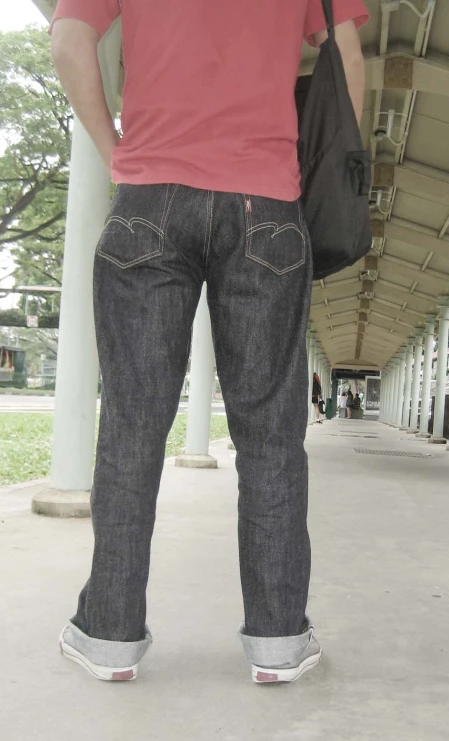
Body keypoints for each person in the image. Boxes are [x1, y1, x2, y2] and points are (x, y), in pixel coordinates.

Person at [50, 0, 368, 684]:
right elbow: (346, 57)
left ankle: (108, 634)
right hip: (266, 205)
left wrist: (116, 153)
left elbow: (70, 39)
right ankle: (278, 639)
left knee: (133, 427)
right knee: (271, 437)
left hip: (148, 197)